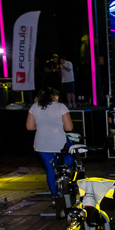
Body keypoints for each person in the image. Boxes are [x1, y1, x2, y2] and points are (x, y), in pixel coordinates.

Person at [26, 89, 74, 219]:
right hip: (59, 143)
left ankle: (54, 196)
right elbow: (69, 128)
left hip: (42, 144)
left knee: (50, 169)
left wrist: (42, 126)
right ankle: (66, 185)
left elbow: (29, 127)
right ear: (54, 96)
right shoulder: (61, 107)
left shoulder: (34, 107)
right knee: (69, 159)